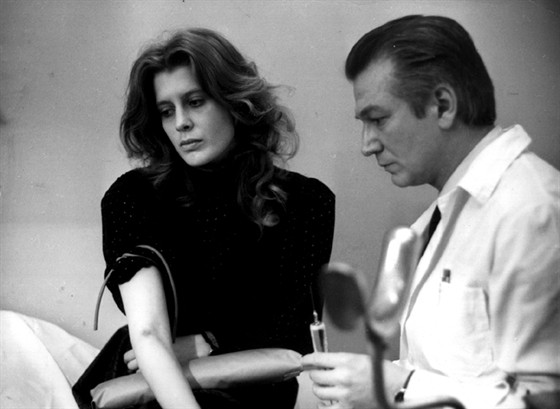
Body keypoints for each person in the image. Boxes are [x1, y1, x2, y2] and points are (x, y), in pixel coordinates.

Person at [302, 15, 560, 409]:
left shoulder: (531, 210)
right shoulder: (444, 214)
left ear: (443, 105)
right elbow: (440, 371)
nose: (367, 145)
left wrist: (399, 387)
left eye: (378, 119)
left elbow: (546, 400)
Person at [100, 27, 335, 409]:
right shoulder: (134, 197)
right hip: (150, 387)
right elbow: (149, 335)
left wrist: (208, 343)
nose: (181, 123)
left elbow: (294, 335)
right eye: (166, 111)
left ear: (235, 102)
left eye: (195, 102)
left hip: (253, 393)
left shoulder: (306, 201)